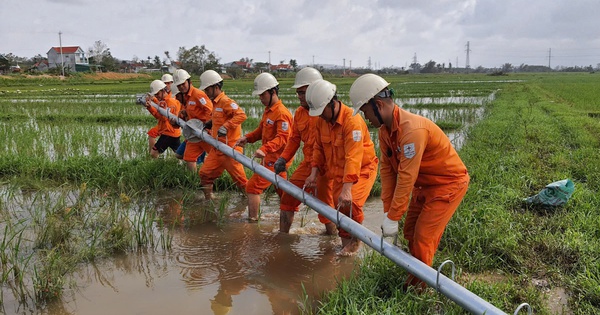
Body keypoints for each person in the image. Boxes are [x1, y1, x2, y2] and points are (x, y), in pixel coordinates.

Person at [349, 73, 470, 288]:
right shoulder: (385, 131)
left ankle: (421, 288)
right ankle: (418, 274)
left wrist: (394, 216)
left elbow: (406, 177)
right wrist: (388, 212)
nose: (366, 118)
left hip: (447, 184)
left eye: (366, 111)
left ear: (378, 105)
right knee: (409, 231)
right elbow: (388, 173)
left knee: (423, 235)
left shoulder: (412, 130)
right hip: (424, 185)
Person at [304, 79, 378, 256]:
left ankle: (355, 241)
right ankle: (346, 249)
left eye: (322, 111)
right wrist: (313, 174)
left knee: (352, 205)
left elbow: (354, 156)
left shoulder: (352, 122)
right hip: (337, 172)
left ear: (332, 103)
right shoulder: (321, 121)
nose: (320, 116)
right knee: (340, 209)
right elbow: (318, 148)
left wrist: (347, 189)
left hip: (361, 170)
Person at [273, 67, 336, 234]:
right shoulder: (300, 113)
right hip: (307, 164)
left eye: (302, 92)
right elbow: (294, 139)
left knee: (325, 206)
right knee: (288, 196)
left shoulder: (325, 113)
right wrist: (283, 159)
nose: (299, 96)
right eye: (298, 92)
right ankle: (282, 237)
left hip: (324, 168)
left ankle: (333, 240)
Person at [235, 73, 293, 221]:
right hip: (271, 160)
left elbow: (283, 138)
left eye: (262, 95)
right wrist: (247, 138)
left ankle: (252, 221)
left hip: (276, 161)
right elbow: (261, 131)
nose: (260, 98)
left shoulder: (282, 113)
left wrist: (265, 149)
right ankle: (291, 217)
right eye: (259, 95)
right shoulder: (268, 111)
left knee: (252, 188)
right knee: (284, 195)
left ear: (273, 92)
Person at [197, 70, 248, 200]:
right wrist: (211, 123)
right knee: (204, 174)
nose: (206, 93)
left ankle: (250, 202)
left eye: (207, 90)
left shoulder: (226, 101)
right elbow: (220, 118)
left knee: (241, 182)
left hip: (230, 150)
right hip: (217, 148)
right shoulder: (215, 103)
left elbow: (241, 115)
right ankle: (210, 200)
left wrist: (226, 127)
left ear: (216, 87)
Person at [172, 69, 213, 172]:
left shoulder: (198, 94)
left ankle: (213, 177)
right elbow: (193, 110)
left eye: (183, 84)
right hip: (194, 133)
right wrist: (184, 112)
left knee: (216, 157)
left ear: (189, 82)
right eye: (179, 85)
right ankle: (193, 181)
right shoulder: (186, 97)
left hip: (204, 132)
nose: (181, 87)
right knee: (189, 158)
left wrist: (207, 127)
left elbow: (210, 110)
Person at [144, 79, 181, 158]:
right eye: (155, 95)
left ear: (163, 91)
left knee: (154, 153)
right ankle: (198, 161)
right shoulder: (164, 101)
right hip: (173, 132)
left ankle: (155, 168)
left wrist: (151, 107)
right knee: (181, 155)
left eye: (157, 94)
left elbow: (163, 118)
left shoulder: (170, 103)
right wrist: (150, 107)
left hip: (169, 132)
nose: (156, 96)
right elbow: (159, 116)